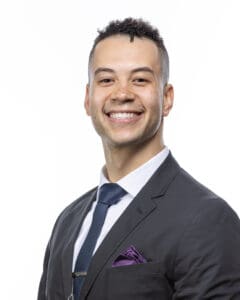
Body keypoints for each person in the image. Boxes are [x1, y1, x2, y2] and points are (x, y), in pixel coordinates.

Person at [38, 18, 240, 300]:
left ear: (166, 98)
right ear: (88, 98)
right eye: (106, 80)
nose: (122, 94)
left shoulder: (207, 219)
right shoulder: (68, 222)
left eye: (140, 80)